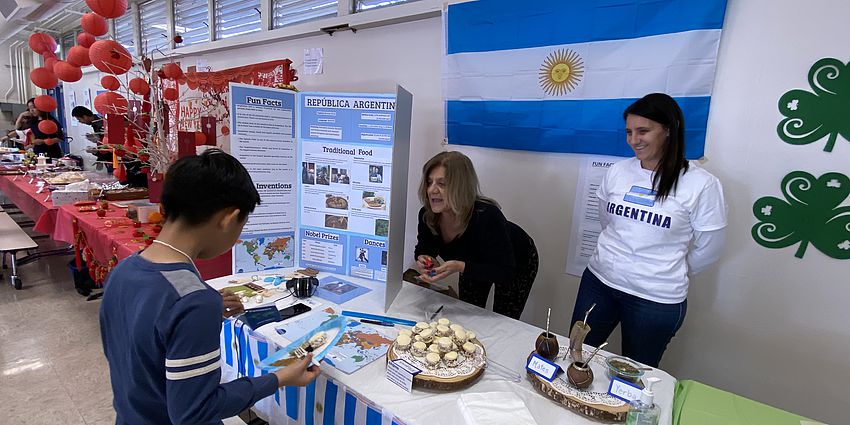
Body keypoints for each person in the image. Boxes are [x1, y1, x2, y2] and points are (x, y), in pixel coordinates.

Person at [100, 149, 320, 425]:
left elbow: (144, 346)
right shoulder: (193, 302)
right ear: (229, 218)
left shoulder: (125, 269)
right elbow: (195, 412)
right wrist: (277, 379)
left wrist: (203, 311)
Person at [570, 93, 728, 367]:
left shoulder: (701, 184)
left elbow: (709, 249)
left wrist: (663, 268)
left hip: (654, 299)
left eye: (643, 131)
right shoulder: (618, 172)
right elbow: (606, 222)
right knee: (576, 356)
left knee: (631, 375)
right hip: (599, 283)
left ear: (668, 130)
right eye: (629, 132)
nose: (634, 140)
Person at [414, 151, 538, 320]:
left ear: (460, 186)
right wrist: (423, 259)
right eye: (429, 183)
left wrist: (460, 267)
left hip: (515, 260)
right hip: (469, 261)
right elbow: (423, 248)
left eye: (441, 184)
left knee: (504, 318)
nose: (432, 190)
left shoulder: (488, 216)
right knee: (469, 312)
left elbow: (505, 271)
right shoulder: (427, 215)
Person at [72, 105, 113, 171]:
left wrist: (96, 151)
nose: (81, 122)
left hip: (113, 157)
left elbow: (109, 144)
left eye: (80, 120)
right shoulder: (96, 122)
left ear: (85, 116)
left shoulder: (101, 123)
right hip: (107, 157)